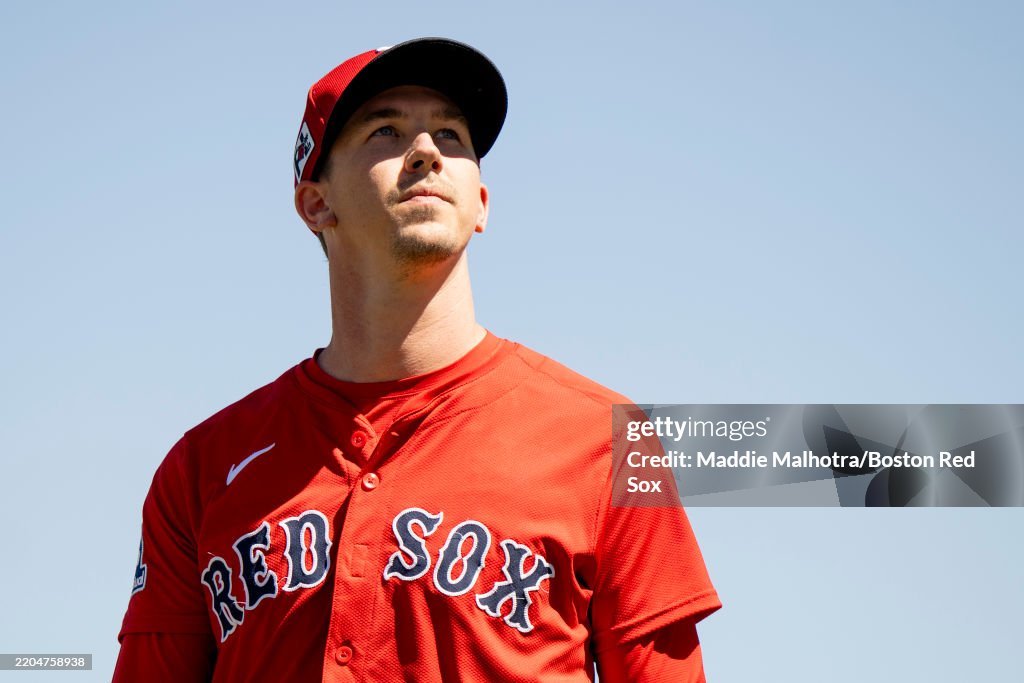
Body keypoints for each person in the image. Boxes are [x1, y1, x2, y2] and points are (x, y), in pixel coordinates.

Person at [112, 37, 721, 682]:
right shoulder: (201, 467)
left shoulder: (610, 442)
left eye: (452, 136)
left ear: (481, 203)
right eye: (387, 130)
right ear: (316, 203)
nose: (428, 151)